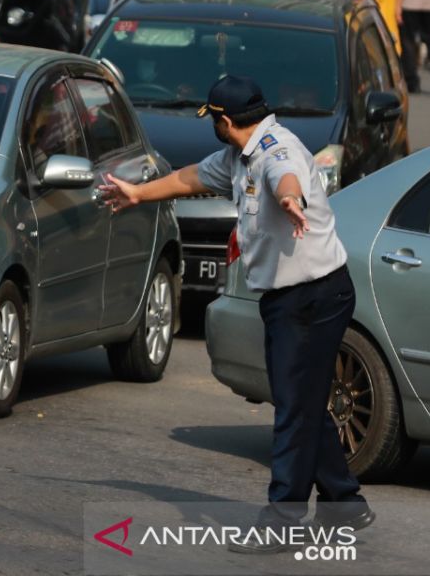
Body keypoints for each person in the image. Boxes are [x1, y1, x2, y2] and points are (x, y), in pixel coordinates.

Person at [98, 76, 374, 553]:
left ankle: (285, 516)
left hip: (314, 298)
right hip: (291, 299)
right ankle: (344, 503)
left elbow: (284, 177)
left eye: (214, 120)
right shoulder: (236, 158)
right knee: (301, 400)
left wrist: (291, 198)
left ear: (225, 121)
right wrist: (139, 194)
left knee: (292, 406)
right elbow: (190, 178)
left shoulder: (274, 150)